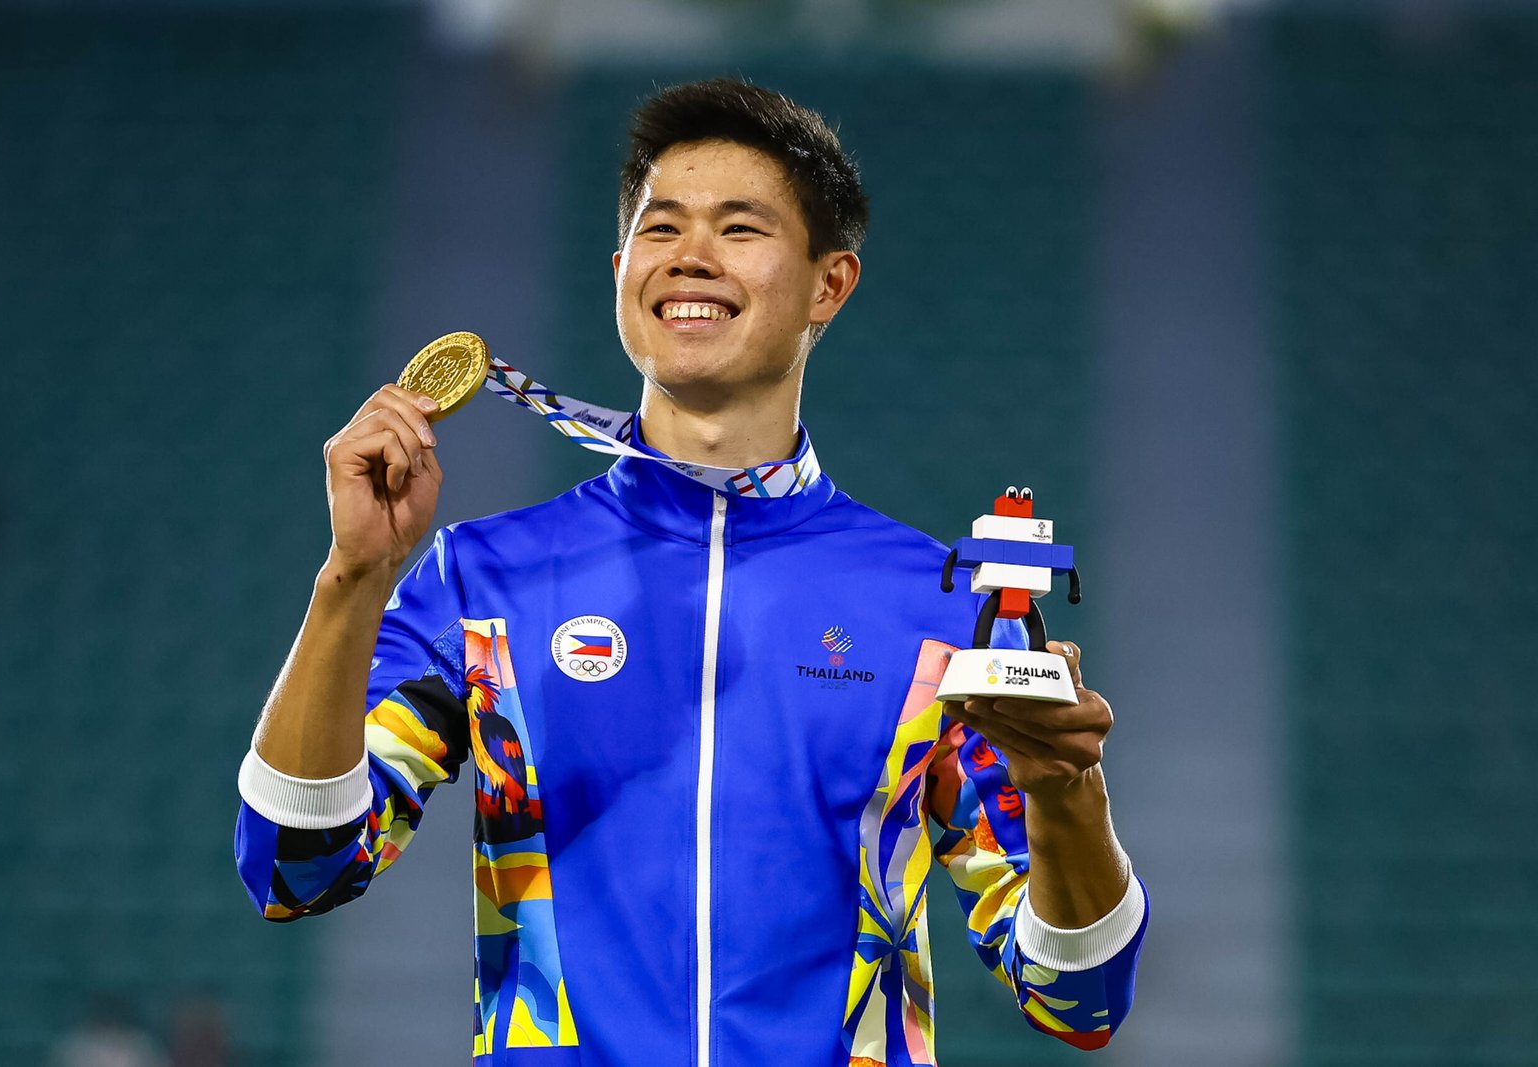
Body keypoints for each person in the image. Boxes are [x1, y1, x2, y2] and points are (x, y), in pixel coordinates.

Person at [234, 78, 1146, 1065]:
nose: (691, 256)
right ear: (623, 267)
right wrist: (350, 582)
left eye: (740, 227)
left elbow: (1078, 998)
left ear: (828, 284)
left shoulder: (943, 609)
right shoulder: (481, 579)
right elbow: (296, 867)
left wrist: (1067, 793)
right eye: (661, 227)